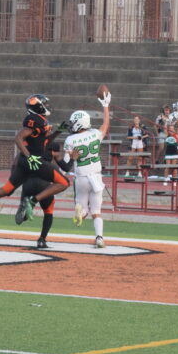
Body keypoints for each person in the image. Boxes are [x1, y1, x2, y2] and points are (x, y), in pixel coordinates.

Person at [0, 94, 70, 243]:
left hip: (24, 162)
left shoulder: (41, 121)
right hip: (34, 160)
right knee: (64, 183)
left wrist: (58, 131)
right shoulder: (35, 119)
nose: (47, 106)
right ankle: (32, 201)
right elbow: (18, 138)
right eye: (44, 104)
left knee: (6, 190)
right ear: (38, 106)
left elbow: (45, 142)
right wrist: (29, 156)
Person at [63, 94, 112, 248]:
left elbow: (66, 163)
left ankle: (82, 212)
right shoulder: (95, 134)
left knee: (83, 209)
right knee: (96, 211)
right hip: (96, 178)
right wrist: (105, 106)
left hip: (81, 178)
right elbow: (105, 124)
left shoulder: (70, 140)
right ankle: (99, 238)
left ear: (79, 124)